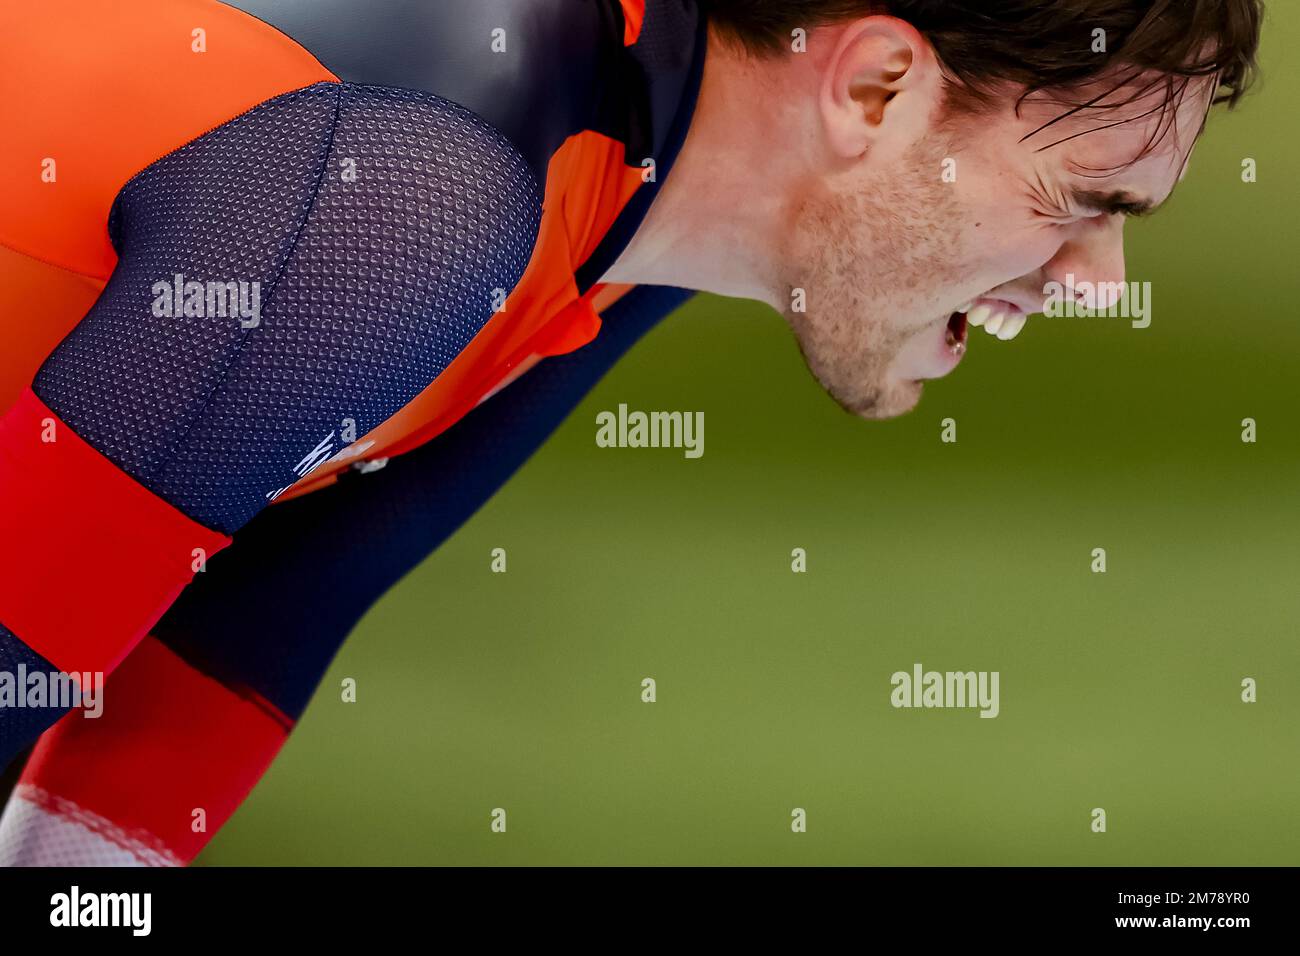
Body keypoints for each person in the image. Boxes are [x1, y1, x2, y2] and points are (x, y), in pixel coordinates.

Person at [0, 0, 1262, 864]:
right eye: (1078, 202)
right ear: (876, 85)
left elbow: (263, 618)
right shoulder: (416, 194)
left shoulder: (634, 200)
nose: (1099, 278)